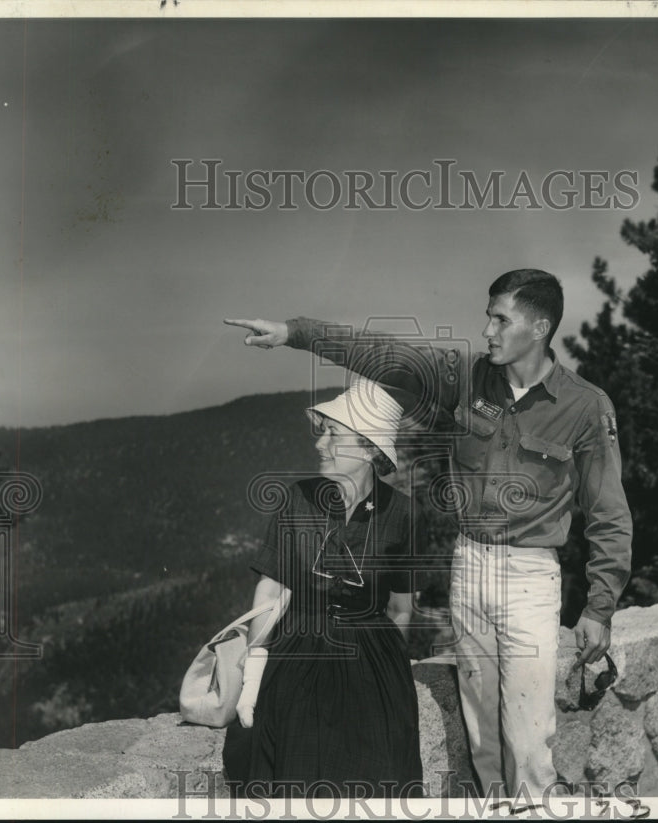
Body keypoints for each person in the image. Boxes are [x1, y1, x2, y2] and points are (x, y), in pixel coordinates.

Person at [224, 268, 632, 800]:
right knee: (483, 730)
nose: (486, 329)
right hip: (470, 565)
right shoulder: (464, 377)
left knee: (530, 733)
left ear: (539, 327)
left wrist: (600, 606)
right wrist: (292, 333)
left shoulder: (584, 405)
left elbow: (608, 509)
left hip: (531, 574)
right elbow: (384, 353)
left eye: (500, 319)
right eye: (487, 316)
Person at [221, 378, 424, 799]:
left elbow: (402, 608)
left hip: (372, 656)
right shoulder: (298, 500)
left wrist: (388, 672)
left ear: (369, 449)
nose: (321, 444)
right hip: (301, 645)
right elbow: (272, 591)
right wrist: (254, 677)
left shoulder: (403, 514)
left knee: (378, 767)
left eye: (334, 433)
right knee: (296, 755)